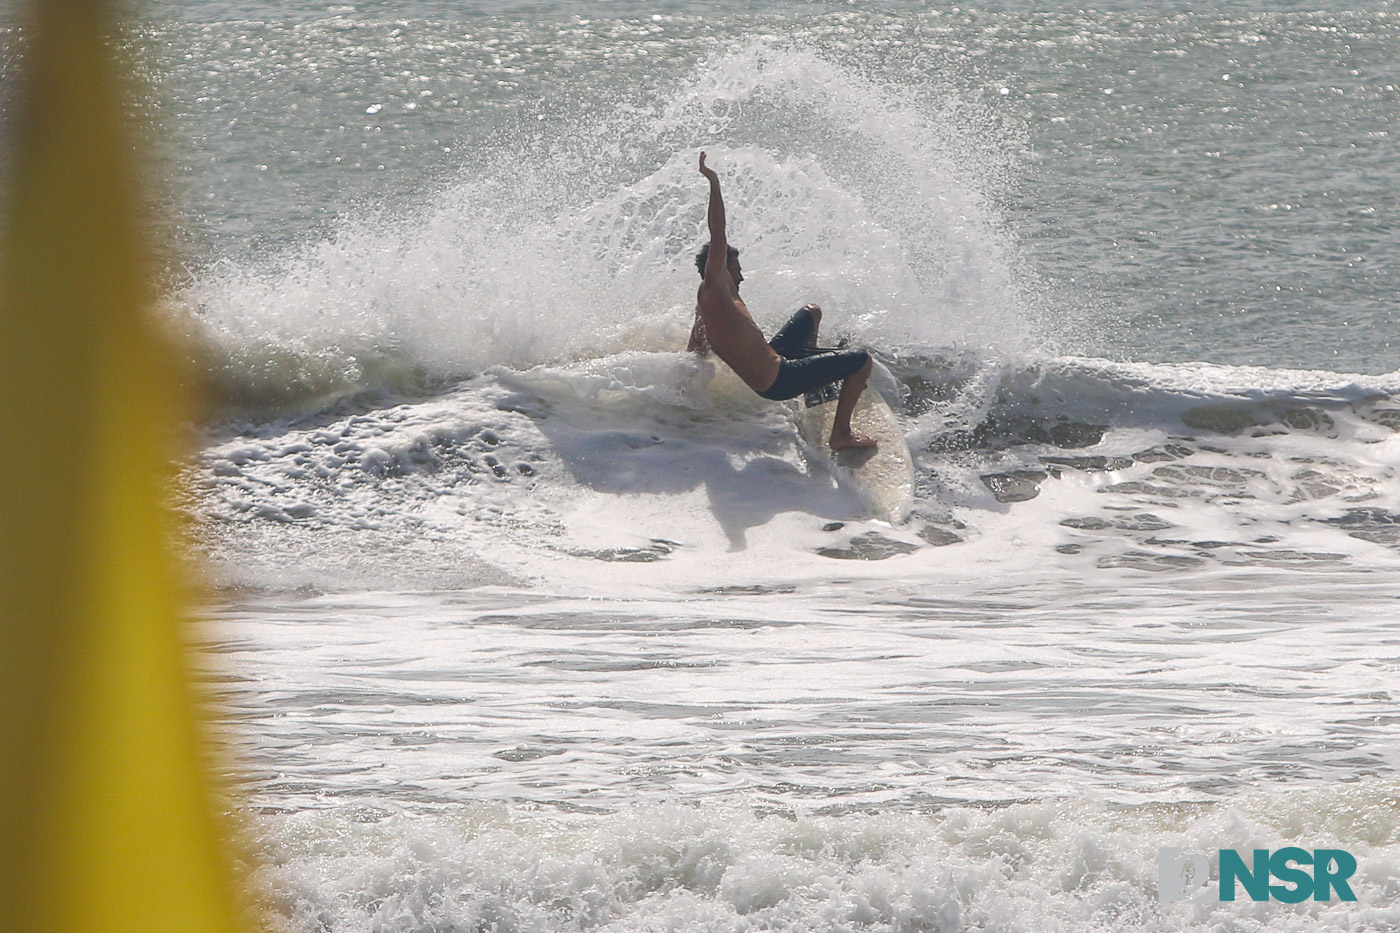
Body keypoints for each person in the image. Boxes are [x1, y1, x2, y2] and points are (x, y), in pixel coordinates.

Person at [687, 152, 877, 450]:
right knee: (862, 361)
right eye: (737, 270)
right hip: (780, 380)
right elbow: (717, 231)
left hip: (776, 361)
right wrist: (714, 183)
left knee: (811, 312)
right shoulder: (716, 288)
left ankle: (815, 391)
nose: (742, 277)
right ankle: (841, 435)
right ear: (720, 268)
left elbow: (696, 350)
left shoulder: (706, 309)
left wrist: (687, 394)